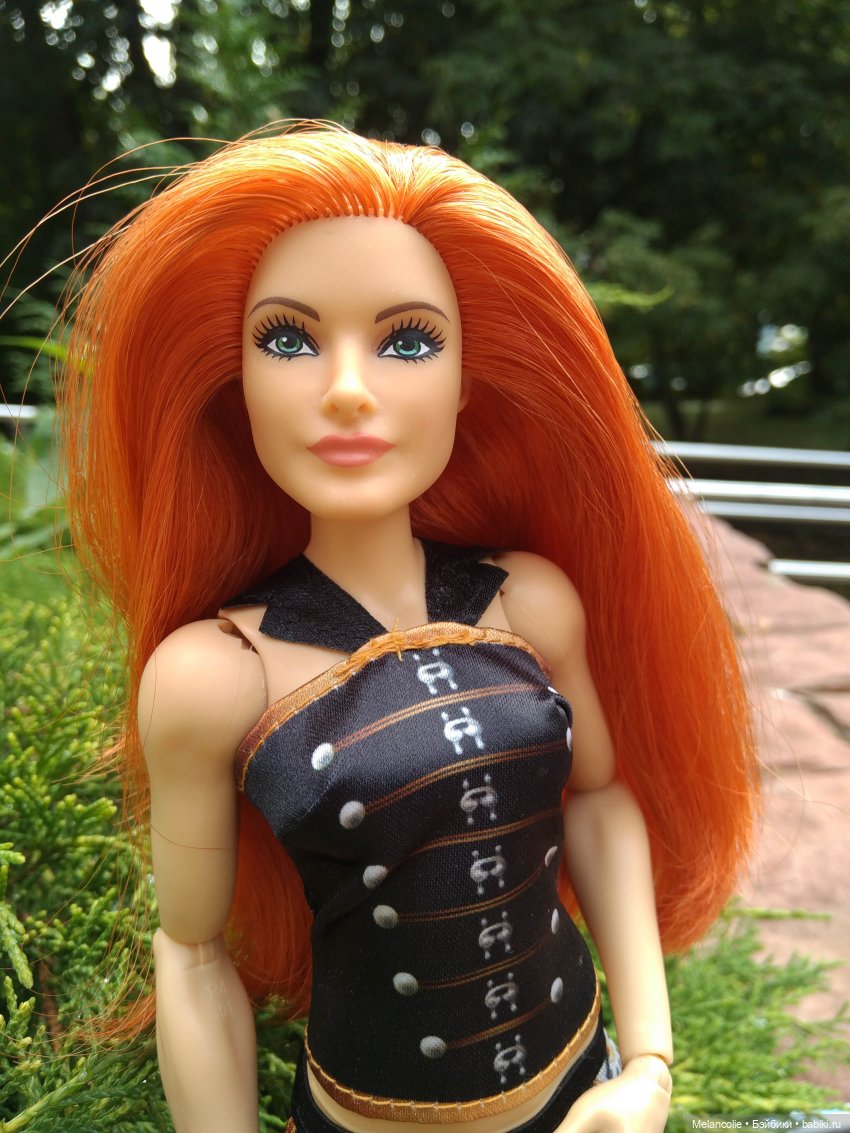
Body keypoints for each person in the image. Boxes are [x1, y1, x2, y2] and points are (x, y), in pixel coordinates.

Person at [58, 124, 757, 1133]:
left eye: (409, 340)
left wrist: (648, 1059)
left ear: (467, 380)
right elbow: (192, 951)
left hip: (586, 1085)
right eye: (288, 339)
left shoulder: (530, 601)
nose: (348, 388)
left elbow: (601, 799)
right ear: (233, 380)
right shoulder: (216, 674)